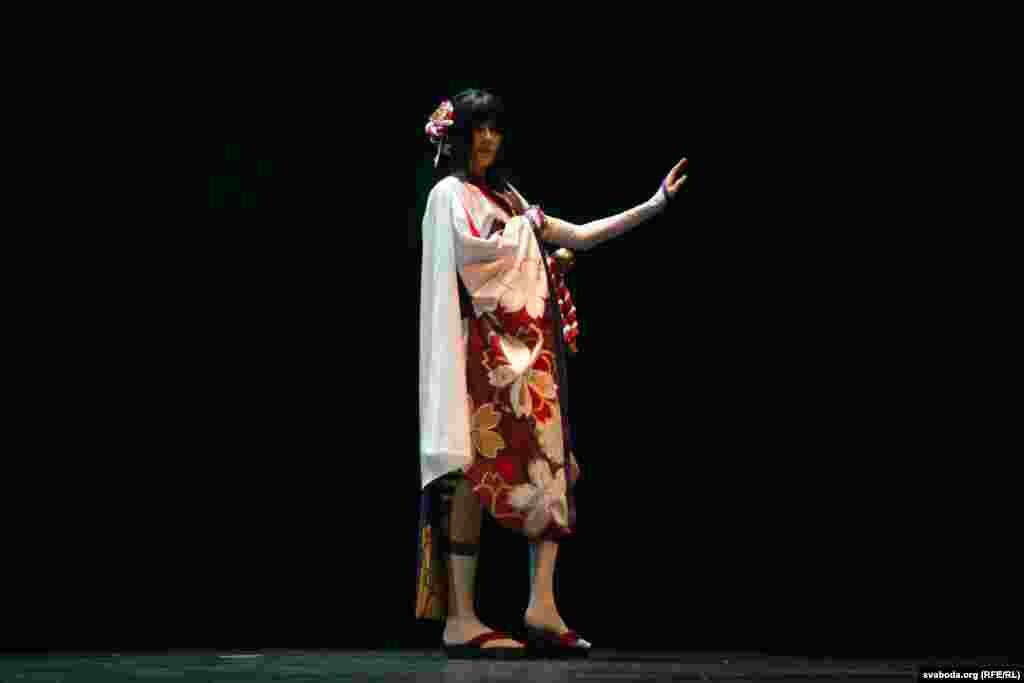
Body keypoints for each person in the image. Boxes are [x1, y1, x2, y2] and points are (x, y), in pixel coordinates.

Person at [416, 89, 687, 658]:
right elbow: (473, 264)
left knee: (552, 466)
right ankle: (461, 617)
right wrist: (529, 247)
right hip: (479, 355)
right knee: (469, 474)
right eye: (477, 128)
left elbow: (580, 235)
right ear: (458, 136)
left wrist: (655, 203)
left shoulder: (509, 199)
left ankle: (541, 604)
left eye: (494, 128)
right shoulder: (448, 196)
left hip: (527, 357)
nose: (488, 139)